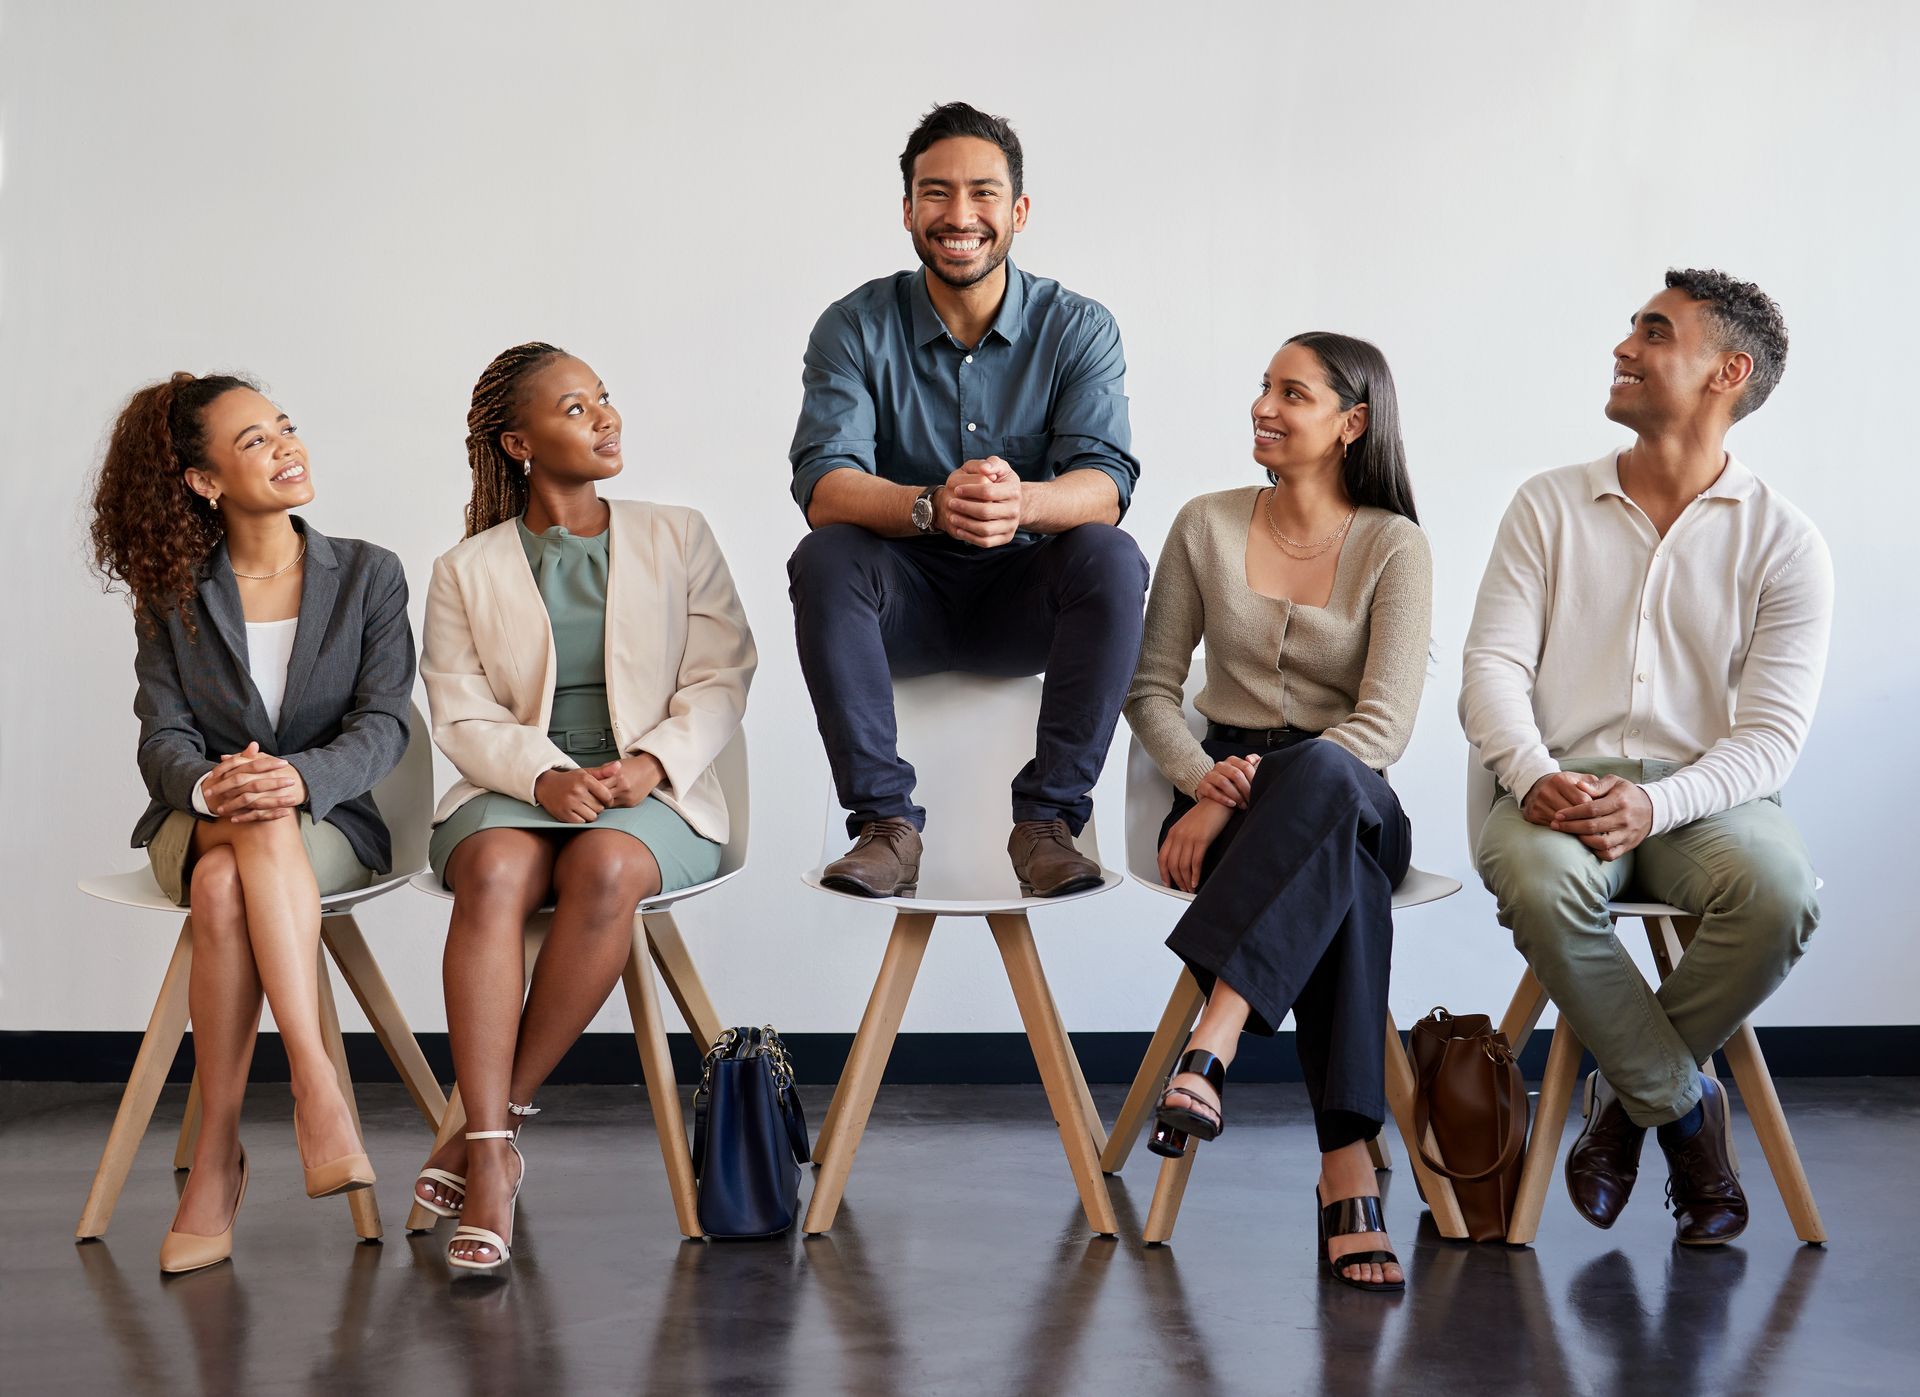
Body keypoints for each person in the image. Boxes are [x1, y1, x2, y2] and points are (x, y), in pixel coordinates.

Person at [1461, 269, 1831, 1246]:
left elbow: (1770, 737)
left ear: (1727, 373)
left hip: (1706, 799)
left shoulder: (1788, 543)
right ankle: (1687, 1108)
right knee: (1542, 886)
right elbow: (1490, 666)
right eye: (1631, 326)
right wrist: (1537, 772)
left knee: (1782, 894)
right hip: (1556, 783)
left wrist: (1657, 807)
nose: (1624, 346)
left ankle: (1625, 1107)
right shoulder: (1548, 505)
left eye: (1655, 331)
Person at [416, 342, 755, 1275]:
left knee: (602, 863)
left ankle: (489, 1136)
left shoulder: (676, 533)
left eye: (604, 398)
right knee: (493, 868)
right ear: (519, 442)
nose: (604, 417)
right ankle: (493, 1147)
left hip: (656, 793)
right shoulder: (465, 568)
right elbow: (459, 708)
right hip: (515, 786)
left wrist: (651, 761)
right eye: (576, 407)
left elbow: (725, 673)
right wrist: (543, 776)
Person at [89, 372, 414, 1273]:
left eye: (286, 428)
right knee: (236, 844)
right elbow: (163, 737)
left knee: (232, 878)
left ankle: (217, 1157)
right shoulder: (172, 590)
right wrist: (209, 790)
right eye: (256, 442)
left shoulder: (370, 574)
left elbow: (385, 725)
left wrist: (294, 779)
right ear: (204, 481)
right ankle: (316, 1084)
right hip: (191, 822)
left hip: (330, 825)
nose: (287, 449)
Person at [1124, 333, 1430, 1292]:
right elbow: (1152, 689)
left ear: (1351, 423)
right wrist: (1198, 782)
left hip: (1352, 783)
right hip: (1235, 791)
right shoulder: (1205, 523)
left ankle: (1212, 1038)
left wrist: (1232, 802)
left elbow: (1378, 725)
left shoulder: (1394, 545)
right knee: (1341, 887)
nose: (1264, 405)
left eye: (1291, 393)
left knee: (1326, 786)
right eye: (1263, 387)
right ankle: (1347, 1169)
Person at [787, 101, 1148, 898]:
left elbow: (1105, 484)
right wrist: (928, 506)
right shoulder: (851, 326)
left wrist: (1021, 504)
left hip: (1026, 602)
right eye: (937, 193)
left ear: (1017, 211)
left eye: (983, 193)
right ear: (908, 210)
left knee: (1111, 557)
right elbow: (823, 484)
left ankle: (1048, 824)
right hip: (899, 606)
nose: (960, 216)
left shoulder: (1079, 327)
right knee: (827, 553)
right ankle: (886, 826)